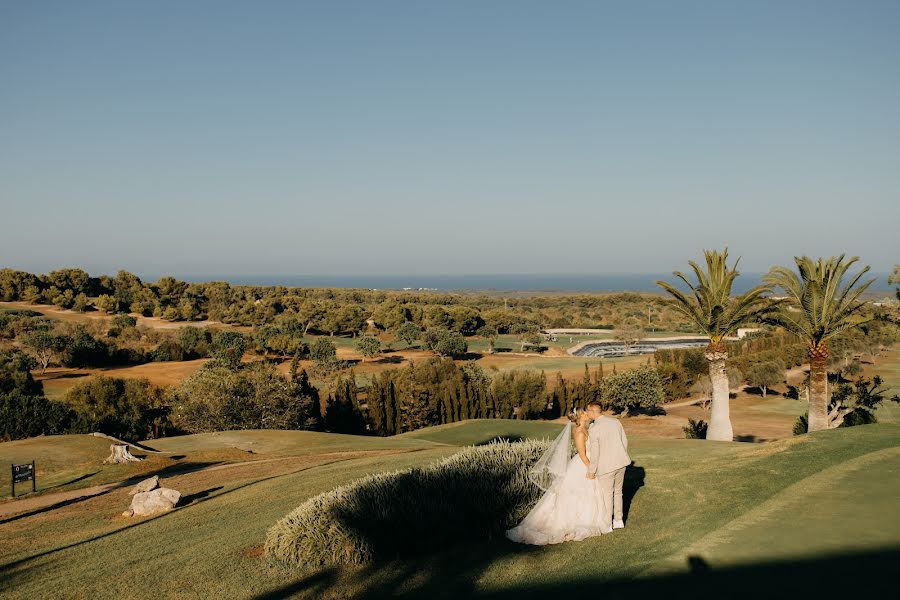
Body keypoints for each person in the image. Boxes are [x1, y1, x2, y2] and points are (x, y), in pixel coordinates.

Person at [505, 409, 612, 545]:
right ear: (580, 416)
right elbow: (582, 455)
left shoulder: (586, 429)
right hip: (583, 465)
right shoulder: (579, 432)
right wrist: (592, 469)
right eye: (584, 412)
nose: (587, 413)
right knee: (582, 493)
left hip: (589, 463)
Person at [584, 400, 631, 530]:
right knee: (618, 492)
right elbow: (624, 441)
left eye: (588, 410)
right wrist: (621, 456)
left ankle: (607, 524)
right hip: (621, 463)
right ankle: (618, 520)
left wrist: (592, 471)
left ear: (593, 411)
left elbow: (595, 452)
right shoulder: (615, 421)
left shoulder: (594, 428)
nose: (587, 413)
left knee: (607, 495)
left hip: (606, 467)